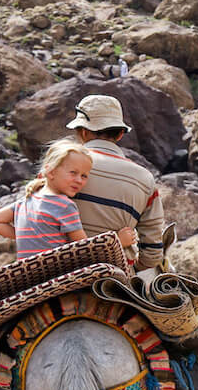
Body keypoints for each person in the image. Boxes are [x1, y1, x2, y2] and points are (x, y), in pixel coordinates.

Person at [0, 138, 134, 257]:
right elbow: (86, 250)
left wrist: (32, 237)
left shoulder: (27, 200)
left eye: (84, 176)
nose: (79, 180)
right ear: (51, 171)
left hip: (27, 276)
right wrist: (118, 241)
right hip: (53, 275)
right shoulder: (64, 205)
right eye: (73, 173)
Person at [66, 95, 167, 272]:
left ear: (82, 131)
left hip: (61, 270)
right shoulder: (145, 179)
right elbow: (152, 253)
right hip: (116, 277)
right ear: (120, 134)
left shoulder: (61, 165)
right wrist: (134, 268)